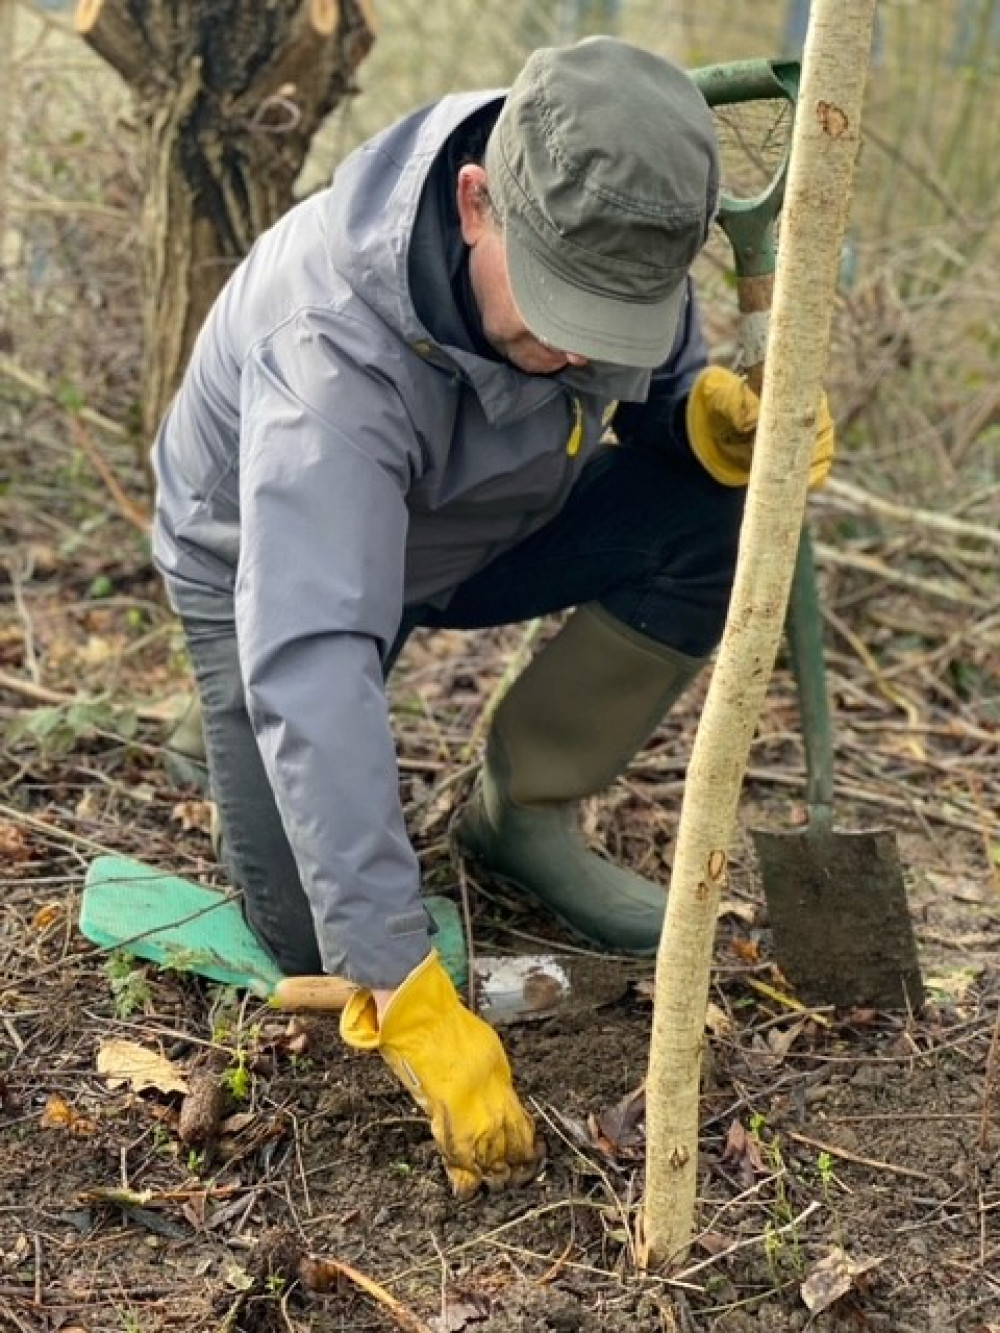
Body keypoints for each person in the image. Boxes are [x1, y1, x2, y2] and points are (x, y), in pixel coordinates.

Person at [153, 37, 834, 1199]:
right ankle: (237, 738)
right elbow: (315, 654)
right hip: (269, 573)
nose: (579, 348)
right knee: (321, 948)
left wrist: (704, 428)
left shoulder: (612, 222)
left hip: (485, 525)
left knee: (724, 517)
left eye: (612, 320)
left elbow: (654, 387)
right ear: (477, 203)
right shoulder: (329, 353)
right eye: (564, 311)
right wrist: (402, 984)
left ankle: (522, 812)